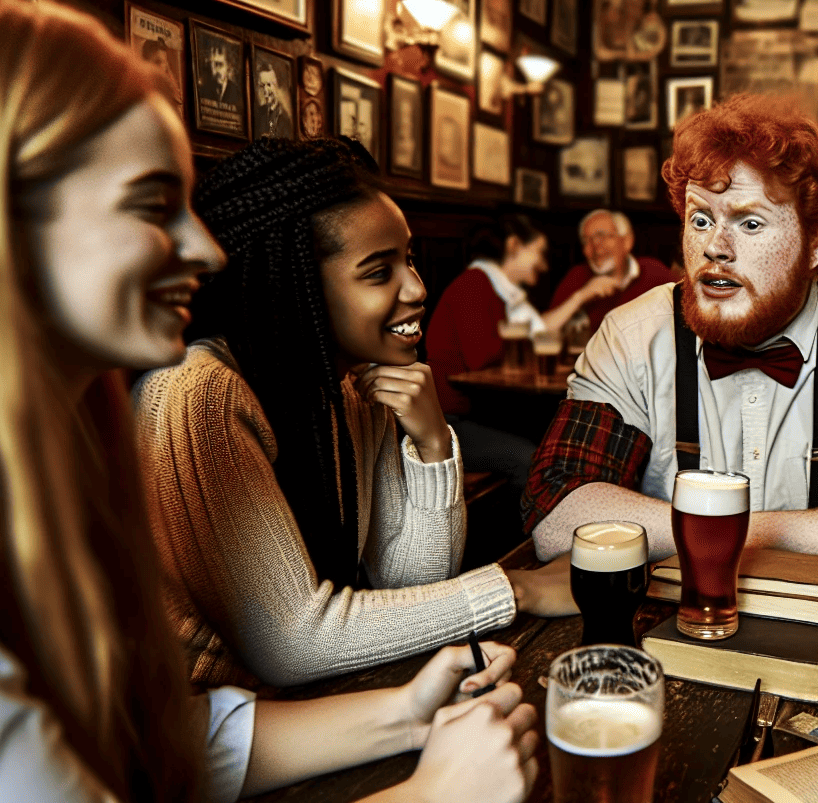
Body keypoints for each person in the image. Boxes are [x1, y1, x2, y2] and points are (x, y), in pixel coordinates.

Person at [0, 0, 537, 803]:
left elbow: (122, 742)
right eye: (150, 205)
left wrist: (400, 714)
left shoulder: (47, 438)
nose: (204, 249)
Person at [137, 139, 572, 690]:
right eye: (378, 272)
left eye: (408, 259)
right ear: (294, 286)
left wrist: (434, 445)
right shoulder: (197, 394)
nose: (417, 288)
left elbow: (406, 582)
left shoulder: (352, 386)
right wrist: (517, 588)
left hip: (315, 702)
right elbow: (295, 642)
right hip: (202, 726)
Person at [523, 95, 818, 568]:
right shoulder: (632, 333)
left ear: (814, 243)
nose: (715, 247)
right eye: (700, 219)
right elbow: (555, 509)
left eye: (749, 222)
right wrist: (753, 534)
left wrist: (752, 533)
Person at [423, 215, 610, 485]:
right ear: (513, 246)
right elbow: (482, 358)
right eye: (539, 252)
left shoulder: (501, 291)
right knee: (529, 456)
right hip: (449, 423)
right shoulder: (474, 284)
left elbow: (531, 336)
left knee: (563, 439)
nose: (544, 265)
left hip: (481, 413)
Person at [551, 209, 676, 330]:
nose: (596, 246)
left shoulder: (655, 272)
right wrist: (580, 296)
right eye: (587, 240)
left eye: (602, 236)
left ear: (627, 241)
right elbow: (544, 330)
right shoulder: (577, 276)